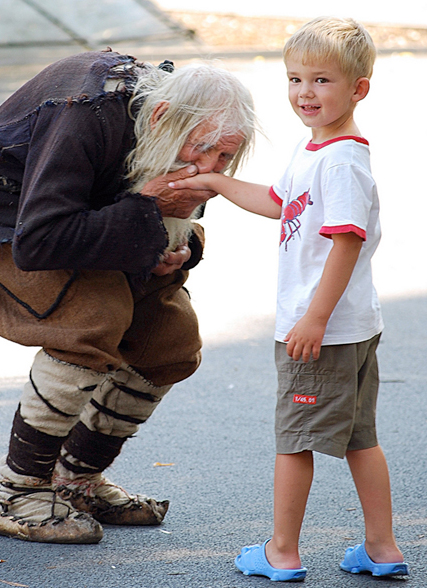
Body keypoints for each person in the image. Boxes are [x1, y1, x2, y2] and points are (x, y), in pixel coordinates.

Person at [0, 49, 256, 544]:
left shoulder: (171, 123)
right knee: (91, 319)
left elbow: (157, 208)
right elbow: (41, 239)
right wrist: (145, 219)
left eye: (225, 157)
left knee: (170, 340)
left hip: (78, 219)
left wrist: (178, 245)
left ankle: (77, 481)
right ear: (161, 117)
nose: (210, 171)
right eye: (204, 150)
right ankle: (17, 494)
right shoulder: (85, 110)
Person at [170, 17, 409, 581]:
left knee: (294, 441)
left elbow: (346, 241)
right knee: (359, 439)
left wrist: (313, 318)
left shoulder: (342, 160)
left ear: (359, 89)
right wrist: (217, 185)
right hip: (346, 327)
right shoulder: (316, 150)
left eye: (322, 80)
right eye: (296, 79)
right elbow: (281, 202)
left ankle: (282, 552)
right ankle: (382, 548)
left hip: (322, 329)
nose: (305, 92)